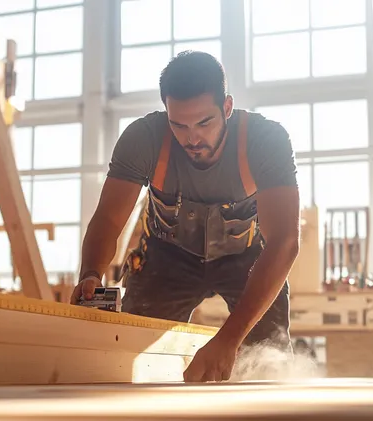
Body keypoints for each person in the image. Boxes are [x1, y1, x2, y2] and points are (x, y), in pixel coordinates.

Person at [70, 51, 300, 383]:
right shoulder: (143, 139)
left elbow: (285, 242)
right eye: (179, 125)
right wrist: (90, 273)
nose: (192, 138)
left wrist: (228, 340)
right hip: (166, 259)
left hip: (246, 260)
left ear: (228, 108)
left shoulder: (265, 140)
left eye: (204, 123)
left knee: (268, 364)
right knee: (129, 364)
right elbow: (108, 219)